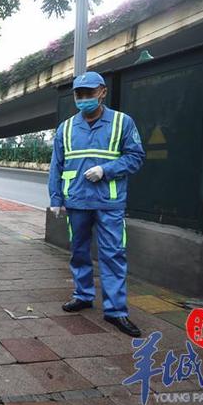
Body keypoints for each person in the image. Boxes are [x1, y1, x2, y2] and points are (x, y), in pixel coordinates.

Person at [48, 71, 145, 337]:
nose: (83, 98)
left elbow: (136, 157)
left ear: (102, 92)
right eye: (79, 94)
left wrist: (107, 170)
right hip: (76, 201)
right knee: (78, 251)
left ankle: (116, 311)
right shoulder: (66, 128)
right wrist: (56, 197)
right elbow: (56, 165)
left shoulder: (122, 123)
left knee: (113, 254)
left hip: (109, 202)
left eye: (89, 93)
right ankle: (83, 295)